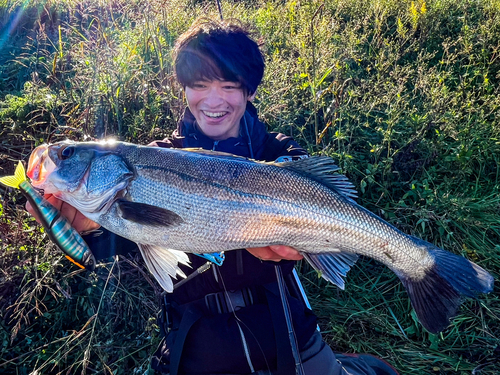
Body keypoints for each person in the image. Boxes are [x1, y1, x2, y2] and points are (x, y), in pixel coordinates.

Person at [27, 18, 399, 375]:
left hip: (286, 329)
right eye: (199, 85)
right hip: (196, 342)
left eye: (229, 85)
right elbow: (121, 243)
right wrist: (88, 231)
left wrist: (298, 242)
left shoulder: (277, 151)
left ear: (250, 90)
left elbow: (315, 199)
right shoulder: (155, 154)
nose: (212, 100)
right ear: (183, 89)